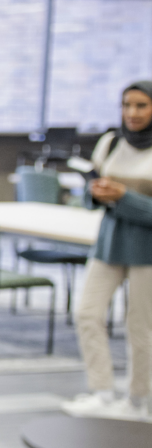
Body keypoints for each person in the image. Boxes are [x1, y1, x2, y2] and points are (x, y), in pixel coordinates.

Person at [62, 80, 152, 419]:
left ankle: (139, 401)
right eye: (127, 105)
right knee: (87, 313)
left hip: (147, 248)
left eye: (141, 105)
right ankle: (101, 391)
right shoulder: (111, 142)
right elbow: (88, 194)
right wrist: (95, 193)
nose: (132, 112)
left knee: (141, 326)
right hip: (109, 241)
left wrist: (124, 197)